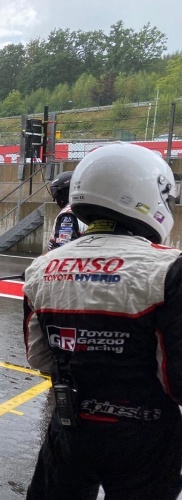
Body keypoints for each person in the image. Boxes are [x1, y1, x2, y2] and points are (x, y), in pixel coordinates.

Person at [23, 142, 182, 499]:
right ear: (148, 195)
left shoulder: (40, 268)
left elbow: (39, 358)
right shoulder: (171, 268)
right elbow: (178, 382)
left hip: (70, 426)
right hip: (146, 437)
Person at [46, 171, 85, 251]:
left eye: (57, 194)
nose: (55, 199)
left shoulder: (68, 214)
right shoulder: (84, 209)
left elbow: (63, 248)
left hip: (62, 261)